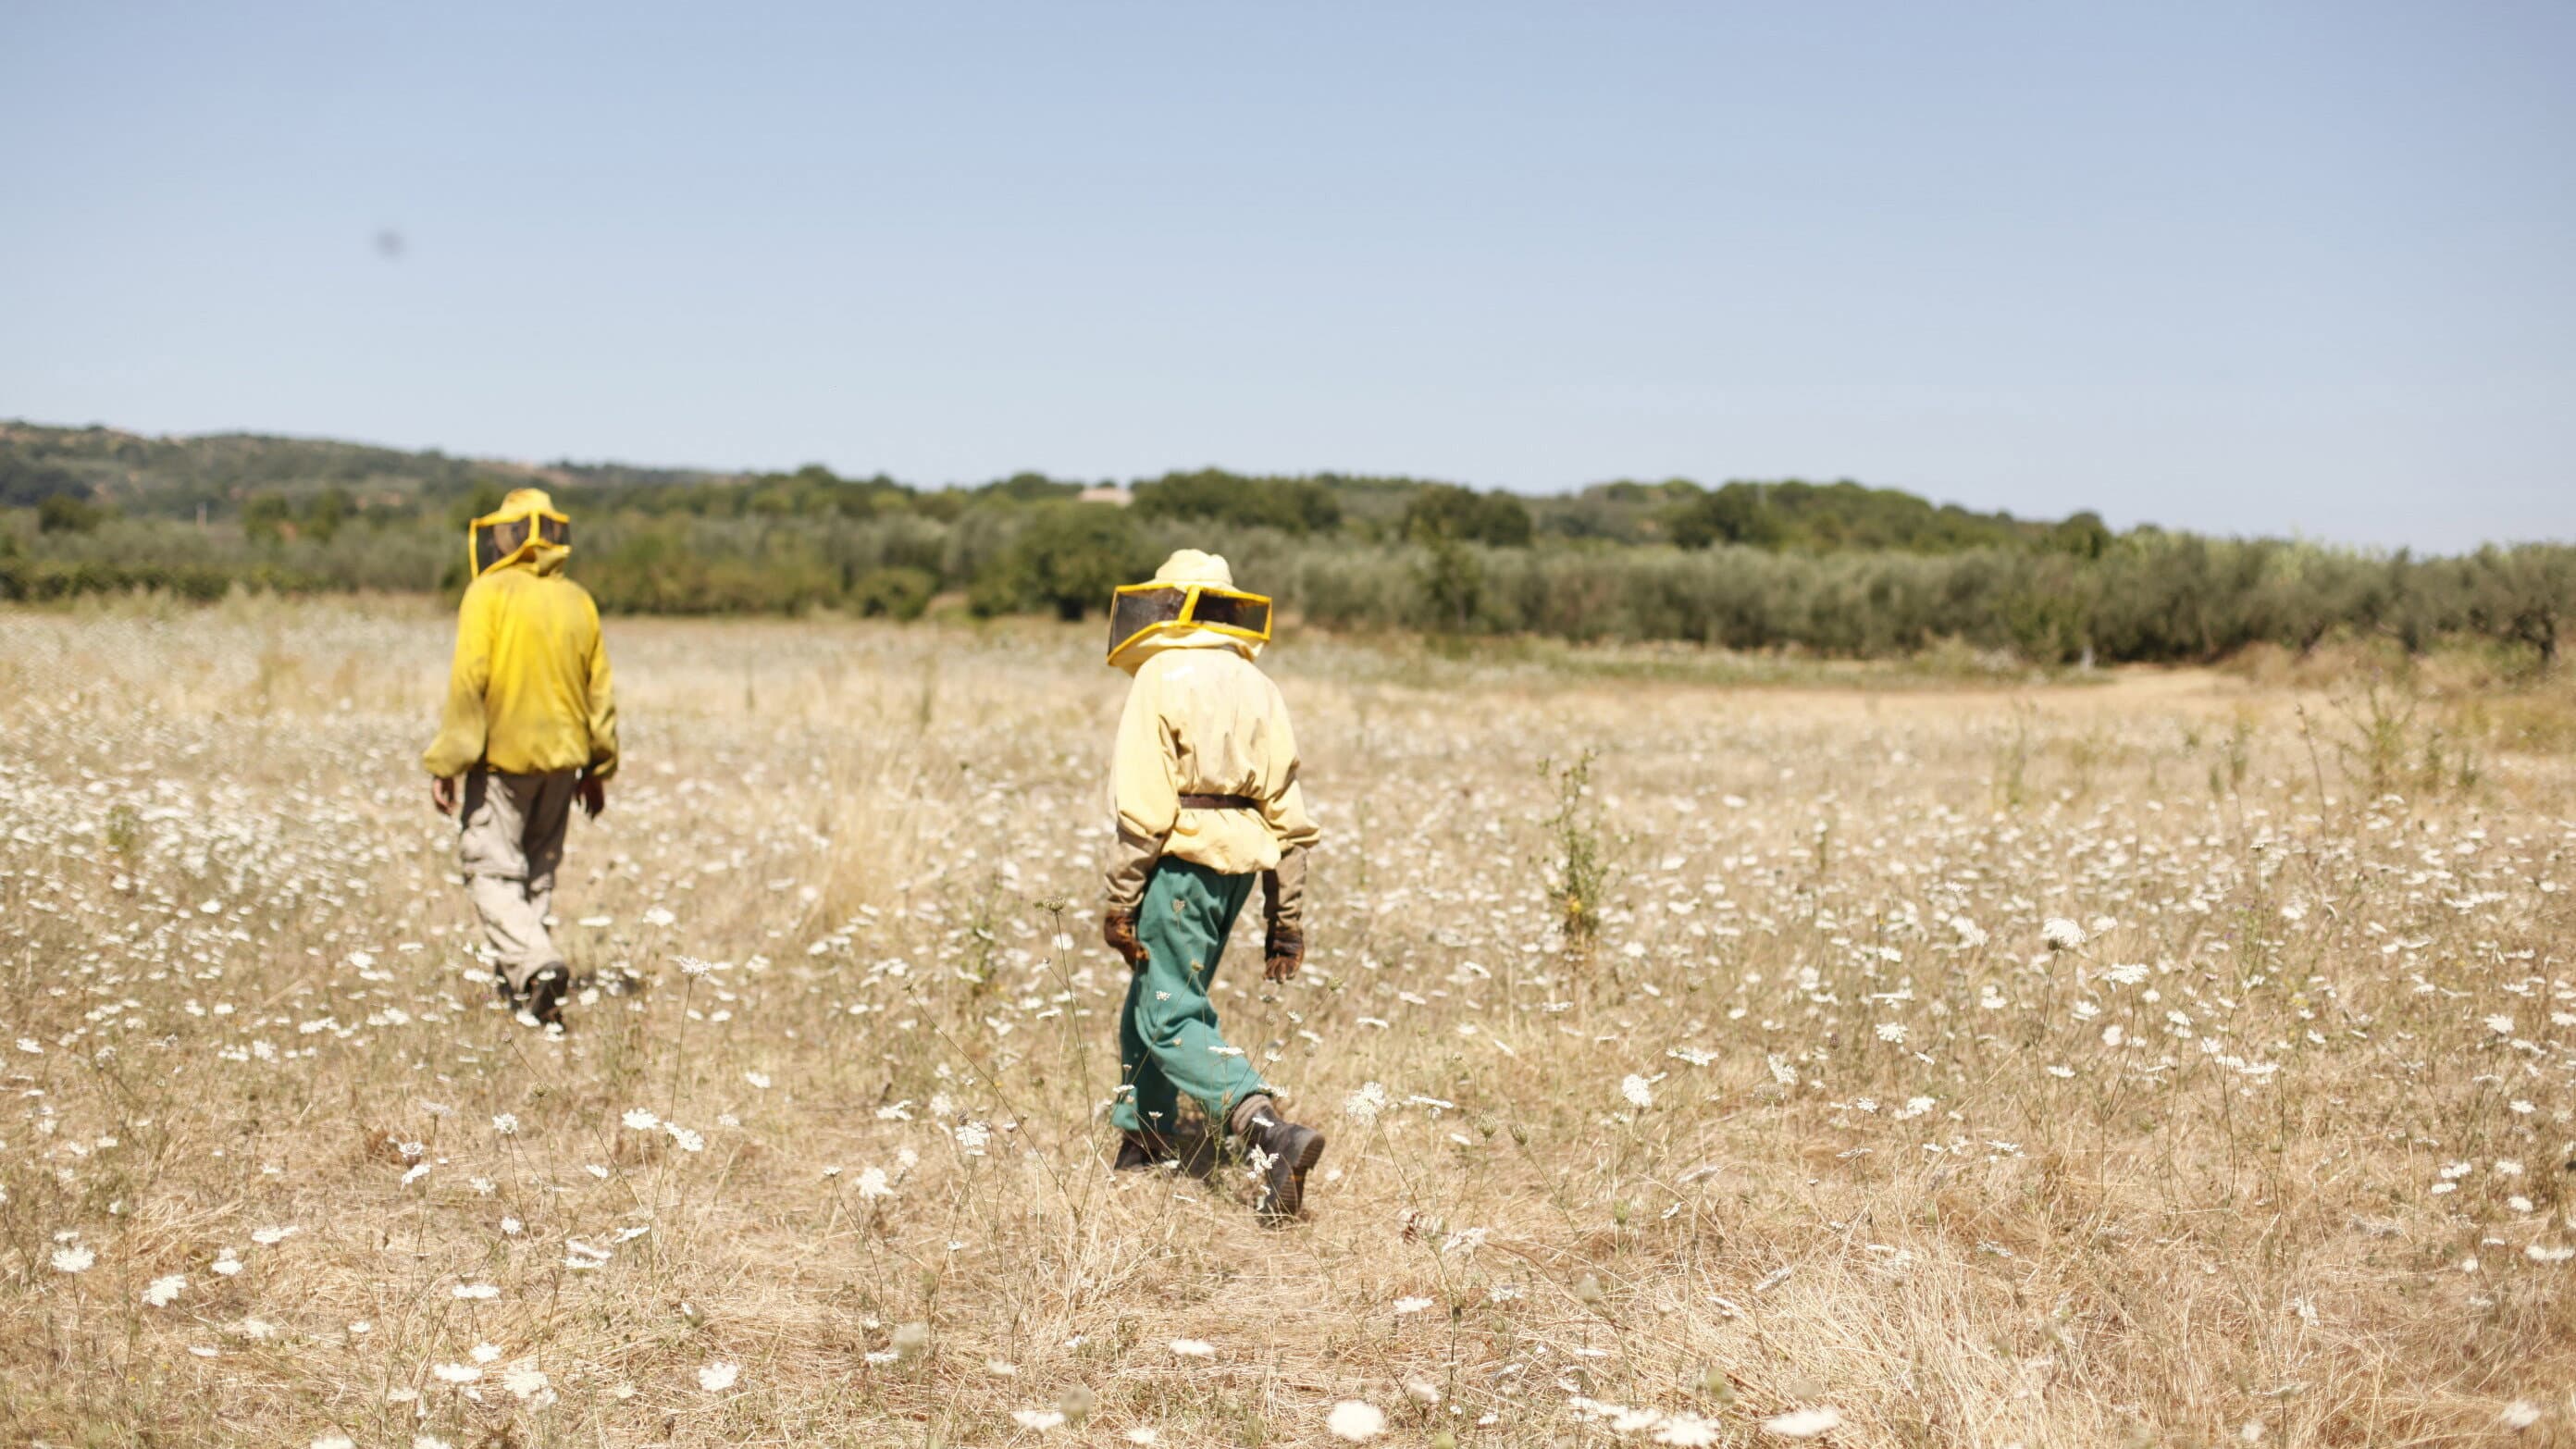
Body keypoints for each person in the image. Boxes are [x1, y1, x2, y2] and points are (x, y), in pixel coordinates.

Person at [1099, 549, 1326, 1221]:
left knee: (1169, 1012)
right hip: (1240, 870)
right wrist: (1286, 918)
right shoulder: (1259, 684)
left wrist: (1121, 898)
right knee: (1153, 997)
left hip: (1179, 860)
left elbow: (1144, 804)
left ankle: (1266, 1129)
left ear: (1171, 604)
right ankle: (1145, 1140)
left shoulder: (1161, 673)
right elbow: (1288, 814)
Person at [422, 488, 617, 1028]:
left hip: (501, 762)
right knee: (536, 874)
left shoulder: (487, 593)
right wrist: (597, 768)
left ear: (508, 535)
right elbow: (600, 692)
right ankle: (528, 989)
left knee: (490, 870)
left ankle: (537, 965)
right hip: (564, 762)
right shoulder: (577, 600)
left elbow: (470, 680)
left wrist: (448, 760)